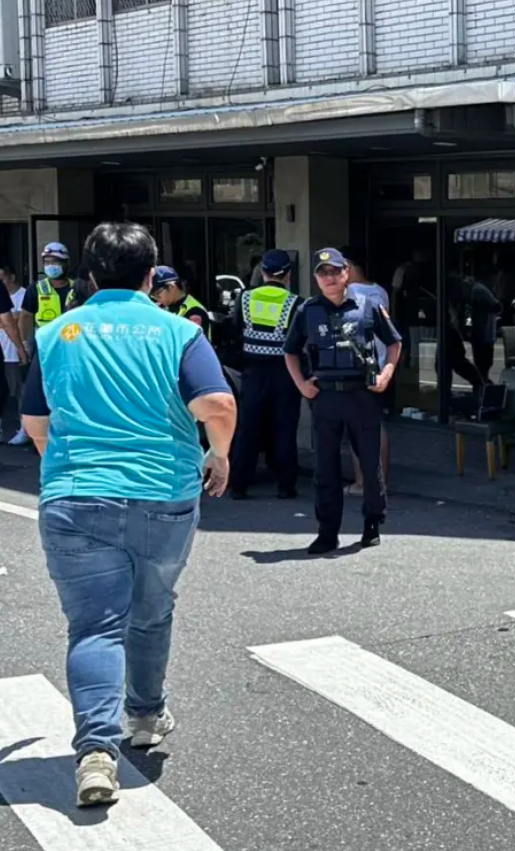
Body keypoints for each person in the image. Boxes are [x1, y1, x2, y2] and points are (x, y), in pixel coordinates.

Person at [19, 221, 237, 807]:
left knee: (95, 626)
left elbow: (35, 423)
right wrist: (218, 454)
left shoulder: (56, 333)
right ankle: (144, 715)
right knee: (152, 609)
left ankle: (95, 751)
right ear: (151, 274)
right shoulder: (178, 331)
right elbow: (217, 404)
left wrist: (67, 465)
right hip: (162, 493)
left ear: (90, 274)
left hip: (75, 496)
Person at [283, 248, 401, 555]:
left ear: (346, 273)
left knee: (370, 466)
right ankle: (327, 532)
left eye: (336, 271)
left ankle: (372, 522)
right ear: (316, 278)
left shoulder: (367, 306)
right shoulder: (307, 311)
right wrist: (301, 384)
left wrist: (386, 375)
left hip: (362, 396)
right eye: (323, 273)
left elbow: (394, 343)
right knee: (325, 469)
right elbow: (290, 351)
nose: (330, 278)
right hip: (326, 398)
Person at [228, 249, 303, 500]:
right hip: (284, 372)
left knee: (248, 428)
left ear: (262, 272)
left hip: (253, 372)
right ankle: (285, 486)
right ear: (288, 274)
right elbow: (300, 340)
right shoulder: (296, 302)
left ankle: (239, 486)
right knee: (284, 428)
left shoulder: (245, 298)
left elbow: (236, 330)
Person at [342, 247, 392, 496]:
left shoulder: (348, 293)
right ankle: (381, 481)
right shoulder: (379, 291)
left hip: (356, 367)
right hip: (379, 364)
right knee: (376, 425)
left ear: (349, 267)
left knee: (357, 427)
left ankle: (362, 483)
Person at [20, 242, 76, 357]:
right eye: (47, 262)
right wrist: (25, 343)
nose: (50, 266)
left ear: (66, 263)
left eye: (55, 262)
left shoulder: (77, 288)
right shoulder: (36, 288)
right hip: (44, 346)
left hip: (72, 345)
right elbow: (25, 317)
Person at [0, 266, 29, 445]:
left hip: (10, 352)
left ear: (11, 277)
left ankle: (24, 428)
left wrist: (20, 348)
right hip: (6, 349)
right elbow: (9, 321)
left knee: (19, 391)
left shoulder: (24, 294)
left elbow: (18, 319)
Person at [149, 266, 210, 335]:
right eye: (152, 296)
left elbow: (191, 340)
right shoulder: (164, 307)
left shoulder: (195, 311)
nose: (156, 298)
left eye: (157, 293)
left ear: (171, 287)